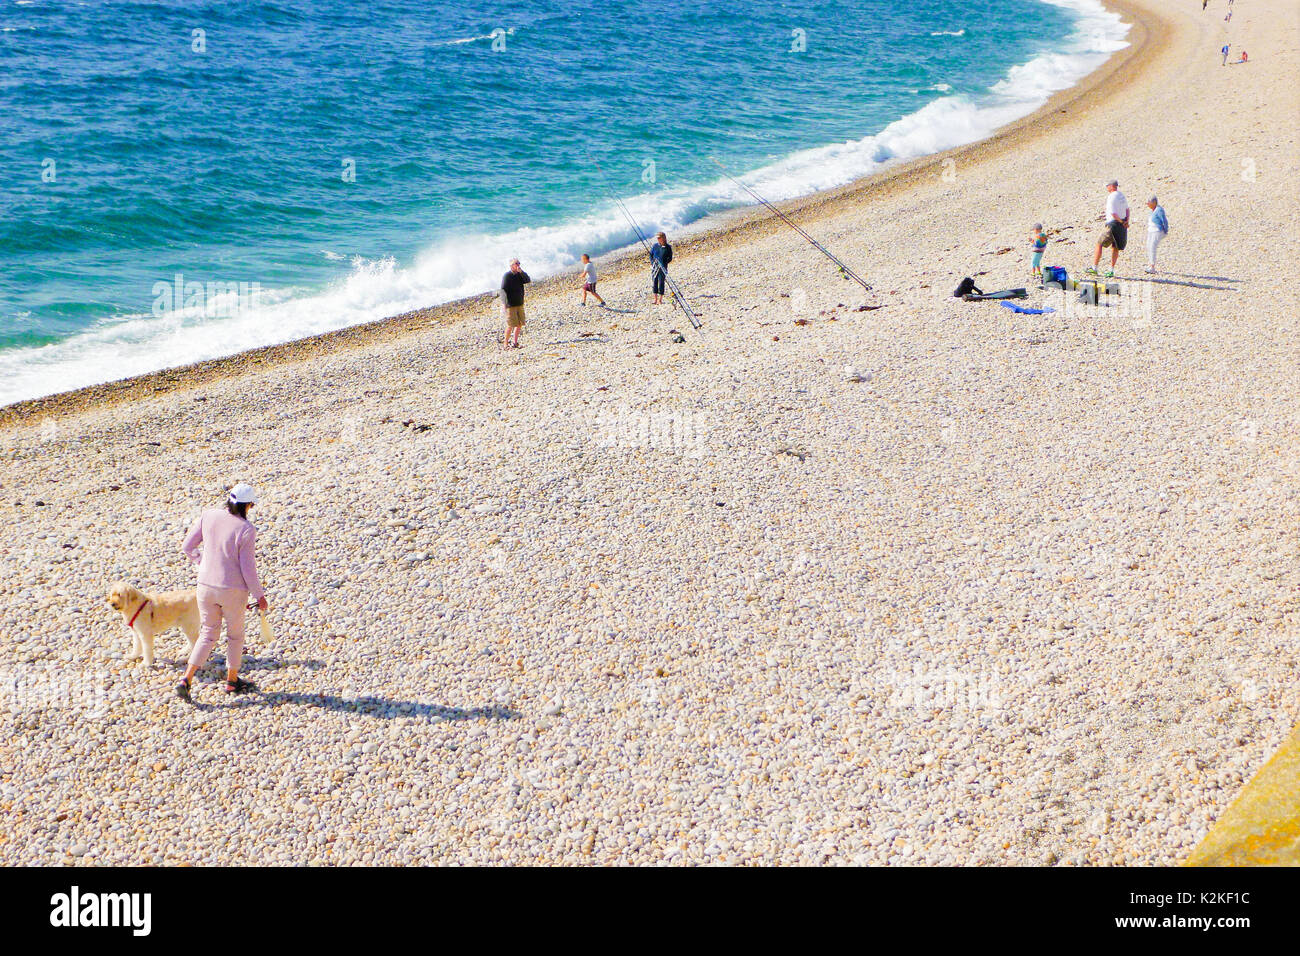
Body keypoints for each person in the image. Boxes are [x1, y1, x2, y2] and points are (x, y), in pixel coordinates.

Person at [176, 483, 267, 698]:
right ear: (248, 505)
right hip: (232, 591)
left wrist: (201, 563)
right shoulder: (246, 529)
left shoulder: (209, 515)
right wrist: (259, 595)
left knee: (208, 633)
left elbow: (187, 546)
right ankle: (232, 681)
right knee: (235, 636)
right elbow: (248, 568)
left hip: (205, 586)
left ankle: (186, 679)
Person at [1087, 179, 1129, 278]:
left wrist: (1121, 221)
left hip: (1113, 224)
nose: (1106, 188)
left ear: (1111, 186)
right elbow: (1127, 209)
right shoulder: (1121, 195)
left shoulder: (1111, 196)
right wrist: (1126, 221)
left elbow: (1113, 213)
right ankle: (1111, 270)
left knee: (1099, 243)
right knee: (1115, 247)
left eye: (1107, 186)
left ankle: (1094, 267)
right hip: (1122, 224)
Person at [500, 258, 531, 348]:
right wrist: (503, 304)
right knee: (511, 325)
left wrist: (521, 272)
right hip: (511, 304)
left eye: (518, 263)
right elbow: (503, 290)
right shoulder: (507, 276)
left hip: (519, 302)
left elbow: (527, 280)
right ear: (511, 266)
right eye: (515, 264)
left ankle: (515, 342)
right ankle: (505, 343)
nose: (517, 265)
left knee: (520, 323)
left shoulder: (519, 274)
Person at [1144, 196, 1169, 273]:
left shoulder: (1159, 210)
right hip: (1151, 230)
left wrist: (1165, 230)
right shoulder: (1152, 210)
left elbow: (1164, 220)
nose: (1147, 204)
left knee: (1152, 246)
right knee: (1149, 245)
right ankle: (1150, 264)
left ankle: (1152, 266)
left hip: (1157, 231)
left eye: (1149, 202)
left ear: (1154, 202)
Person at [649, 232, 672, 305]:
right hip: (655, 267)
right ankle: (655, 299)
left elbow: (670, 258)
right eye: (657, 238)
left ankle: (660, 299)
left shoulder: (668, 247)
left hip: (662, 268)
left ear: (663, 238)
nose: (658, 239)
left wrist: (664, 263)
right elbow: (651, 255)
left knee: (661, 282)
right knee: (654, 281)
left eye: (659, 237)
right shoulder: (655, 246)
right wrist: (653, 263)